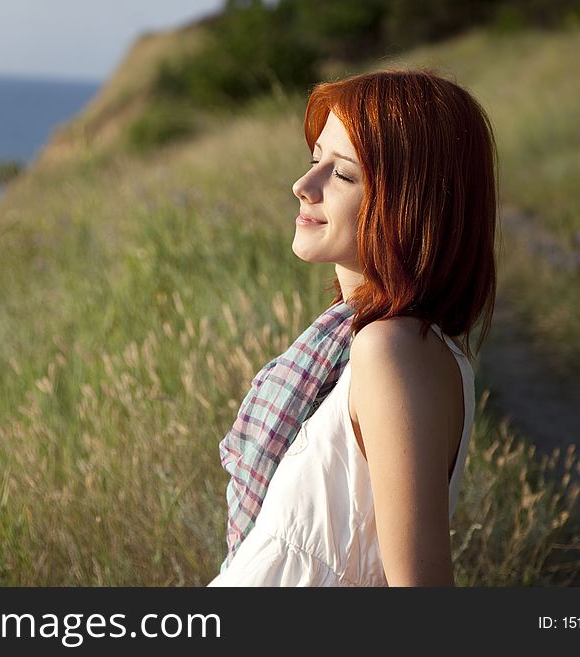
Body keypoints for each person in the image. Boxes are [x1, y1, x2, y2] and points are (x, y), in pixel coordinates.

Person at [207, 68, 498, 587]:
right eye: (315, 159)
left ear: (412, 202)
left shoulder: (393, 350)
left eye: (341, 174)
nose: (303, 185)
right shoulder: (362, 343)